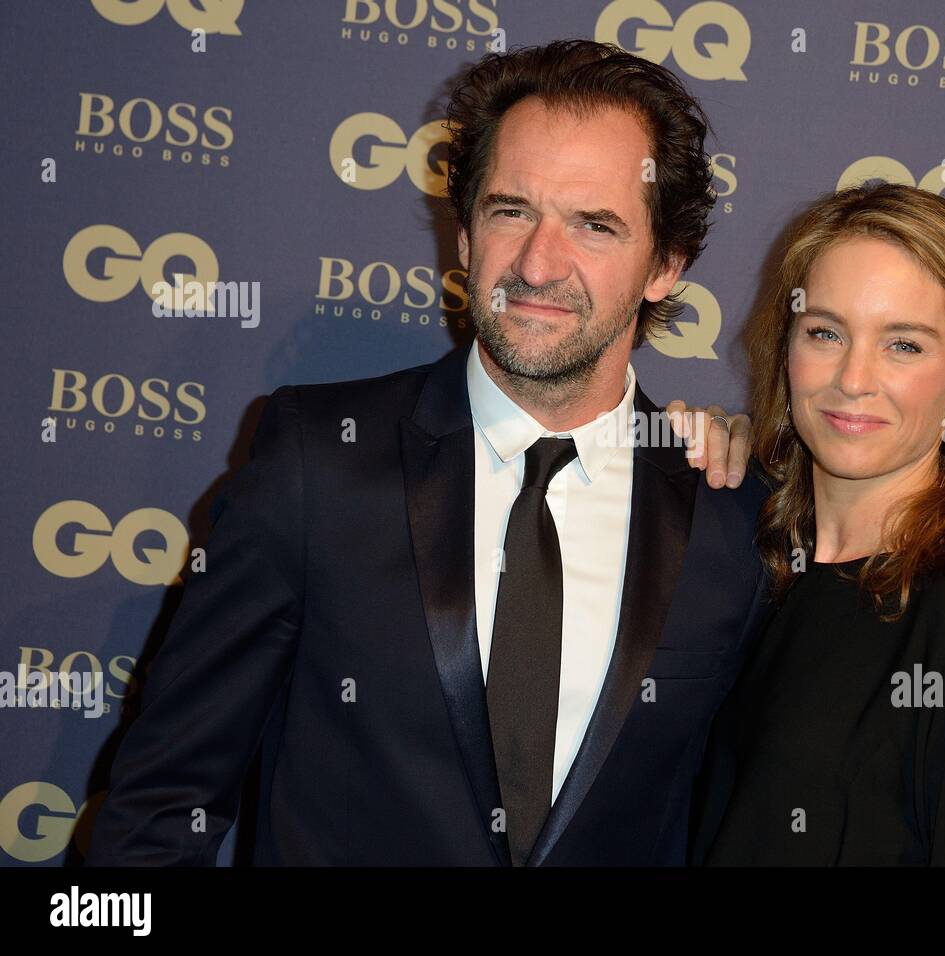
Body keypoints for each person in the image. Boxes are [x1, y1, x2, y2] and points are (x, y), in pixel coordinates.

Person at [86, 39, 761, 867]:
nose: (540, 264)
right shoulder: (318, 465)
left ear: (665, 265)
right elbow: (159, 810)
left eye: (595, 224)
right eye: (512, 209)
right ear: (467, 237)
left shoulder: (728, 514)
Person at [689, 181, 945, 866]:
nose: (853, 378)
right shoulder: (746, 555)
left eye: (904, 345)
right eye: (826, 333)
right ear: (787, 345)